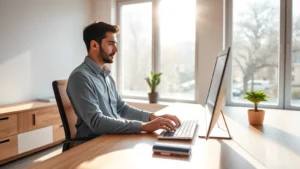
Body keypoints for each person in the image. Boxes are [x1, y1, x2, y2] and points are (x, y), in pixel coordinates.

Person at [67, 22, 181, 142]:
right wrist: (143, 126)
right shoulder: (80, 77)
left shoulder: (106, 76)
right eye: (110, 44)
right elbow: (96, 121)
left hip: (112, 138)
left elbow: (121, 108)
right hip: (92, 145)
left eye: (115, 44)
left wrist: (152, 117)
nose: (116, 49)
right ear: (94, 45)